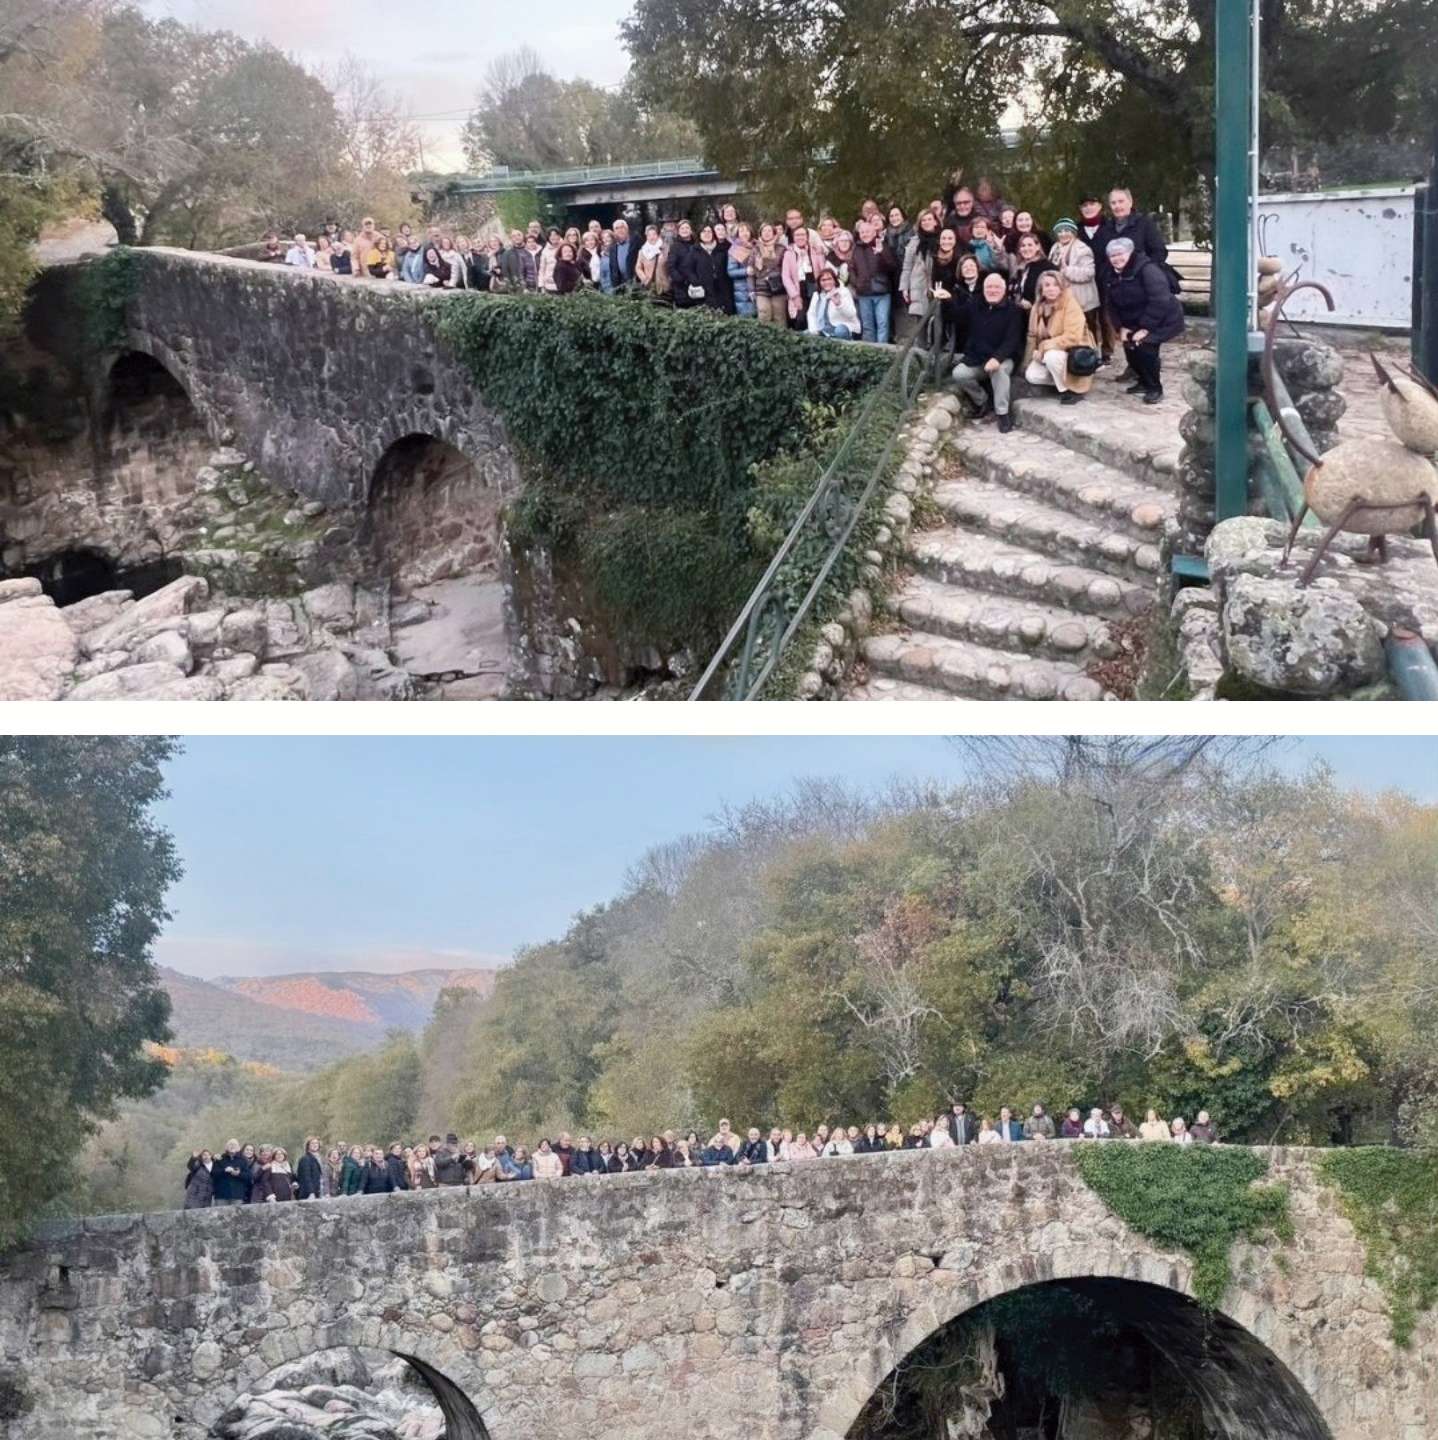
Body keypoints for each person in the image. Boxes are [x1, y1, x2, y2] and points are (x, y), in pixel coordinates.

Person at [1105, 236, 1184, 403]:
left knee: (1146, 347)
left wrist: (1145, 328)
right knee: (1130, 348)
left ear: (1130, 252)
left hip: (1162, 318)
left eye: (1120, 254)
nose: (1116, 259)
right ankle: (1142, 381)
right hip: (1134, 319)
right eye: (1112, 256)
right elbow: (1110, 304)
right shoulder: (1111, 273)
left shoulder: (1147, 270)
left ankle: (1154, 388)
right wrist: (1121, 327)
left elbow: (1160, 300)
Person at [953, 271, 1024, 432]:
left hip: (1004, 358)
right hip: (978, 358)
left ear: (1004, 289)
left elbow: (1012, 340)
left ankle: (1002, 413)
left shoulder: (1013, 310)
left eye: (996, 287)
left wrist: (997, 358)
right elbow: (957, 317)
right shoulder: (975, 304)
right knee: (959, 374)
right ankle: (982, 401)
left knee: (999, 371)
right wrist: (946, 300)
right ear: (984, 289)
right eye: (989, 287)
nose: (992, 290)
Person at [1024, 271, 1095, 406]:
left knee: (1051, 357)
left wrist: (1044, 347)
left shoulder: (1070, 304)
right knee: (1032, 375)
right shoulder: (1037, 307)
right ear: (1041, 289)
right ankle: (1062, 379)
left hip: (1074, 353)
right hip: (1051, 353)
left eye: (1056, 285)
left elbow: (1073, 337)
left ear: (1062, 287)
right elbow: (1032, 336)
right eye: (1047, 285)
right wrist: (1029, 359)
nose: (1051, 288)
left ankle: (1070, 390)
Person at [1048, 219, 1101, 341]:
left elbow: (1089, 273)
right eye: (1059, 231)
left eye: (1067, 230)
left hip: (1083, 300)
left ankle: (1092, 356)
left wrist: (1066, 270)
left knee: (1087, 332)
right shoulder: (1055, 248)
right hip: (1063, 298)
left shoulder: (1083, 249)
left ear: (1073, 232)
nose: (1063, 234)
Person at [850, 216, 897, 343]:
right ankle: (870, 353)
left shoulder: (882, 245)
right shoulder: (856, 249)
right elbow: (852, 269)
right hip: (863, 292)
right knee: (867, 325)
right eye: (862, 232)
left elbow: (892, 267)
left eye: (867, 232)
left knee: (883, 324)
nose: (865, 235)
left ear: (874, 232)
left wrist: (881, 253)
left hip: (881, 291)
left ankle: (883, 351)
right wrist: (857, 283)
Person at [782, 208, 828, 328]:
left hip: (813, 285)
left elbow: (823, 268)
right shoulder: (788, 251)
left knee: (816, 317)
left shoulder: (814, 246)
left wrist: (820, 252)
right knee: (800, 319)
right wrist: (794, 295)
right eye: (797, 235)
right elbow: (786, 276)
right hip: (798, 287)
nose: (800, 237)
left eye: (802, 235)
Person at [899, 209, 941, 338]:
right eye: (923, 220)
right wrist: (904, 287)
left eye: (929, 219)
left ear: (935, 221)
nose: (926, 222)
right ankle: (920, 353)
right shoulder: (914, 242)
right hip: (918, 286)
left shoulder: (942, 239)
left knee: (938, 323)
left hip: (937, 284)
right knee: (920, 325)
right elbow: (907, 266)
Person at [807, 267, 861, 339]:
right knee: (805, 334)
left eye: (829, 279)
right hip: (823, 328)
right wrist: (813, 330)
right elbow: (811, 314)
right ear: (819, 282)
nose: (827, 282)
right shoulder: (816, 295)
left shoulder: (843, 292)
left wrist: (839, 304)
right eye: (823, 280)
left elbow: (852, 314)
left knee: (840, 331)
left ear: (835, 280)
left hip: (842, 327)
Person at [1009, 233, 1056, 310]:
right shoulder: (1020, 268)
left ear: (1037, 247)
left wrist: (1033, 304)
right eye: (1023, 246)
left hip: (1040, 314)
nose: (1026, 248)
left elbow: (1053, 293)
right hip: (1022, 314)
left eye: (1030, 245)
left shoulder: (1048, 267)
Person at [752, 222, 786, 325]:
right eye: (764, 231)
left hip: (778, 287)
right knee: (764, 315)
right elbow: (751, 270)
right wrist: (751, 289)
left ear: (774, 233)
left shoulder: (781, 248)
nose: (766, 233)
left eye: (769, 231)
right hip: (761, 287)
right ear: (760, 233)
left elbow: (783, 266)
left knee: (779, 316)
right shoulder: (755, 249)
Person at [727, 222, 756, 317]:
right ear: (737, 234)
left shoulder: (757, 246)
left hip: (759, 287)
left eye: (747, 230)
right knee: (747, 319)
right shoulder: (734, 249)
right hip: (742, 290)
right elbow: (731, 271)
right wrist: (745, 271)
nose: (745, 233)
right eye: (742, 231)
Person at [213, 1139, 249, 1206]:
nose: (232, 1146)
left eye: (235, 1145)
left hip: (237, 1195)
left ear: (238, 1148)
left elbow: (249, 1176)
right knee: (221, 1215)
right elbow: (213, 1174)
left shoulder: (243, 1160)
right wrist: (224, 1171)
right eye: (230, 1144)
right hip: (221, 1195)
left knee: (237, 1216)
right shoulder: (220, 1159)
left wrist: (239, 1174)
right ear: (226, 1147)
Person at [634, 224, 665, 295]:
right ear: (646, 237)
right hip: (650, 286)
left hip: (664, 286)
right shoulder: (642, 251)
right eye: (649, 235)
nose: (652, 237)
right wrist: (645, 279)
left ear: (658, 235)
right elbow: (638, 267)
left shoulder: (665, 248)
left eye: (654, 234)